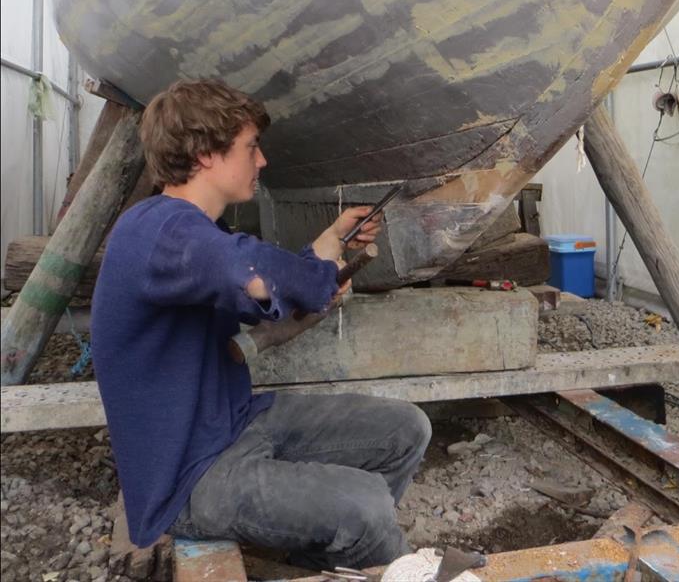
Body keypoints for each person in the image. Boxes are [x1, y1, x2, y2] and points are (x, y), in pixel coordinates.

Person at [90, 78, 431, 571]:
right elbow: (246, 271)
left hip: (232, 421)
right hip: (189, 476)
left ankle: (319, 558)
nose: (262, 160)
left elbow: (246, 282)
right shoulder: (161, 228)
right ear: (207, 154)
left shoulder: (193, 237)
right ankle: (370, 556)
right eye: (252, 147)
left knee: (407, 429)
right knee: (366, 505)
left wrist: (325, 247)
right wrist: (315, 278)